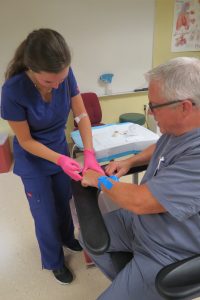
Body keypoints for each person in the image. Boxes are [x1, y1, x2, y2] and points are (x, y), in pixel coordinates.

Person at [81, 57, 200, 299]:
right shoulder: (178, 129)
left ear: (185, 107)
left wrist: (99, 180)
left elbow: (140, 201)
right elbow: (160, 148)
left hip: (170, 250)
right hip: (142, 223)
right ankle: (129, 280)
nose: (150, 111)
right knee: (88, 235)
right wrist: (130, 161)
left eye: (154, 105)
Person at [1, 28, 104, 284]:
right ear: (32, 69)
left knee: (64, 201)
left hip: (60, 150)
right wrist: (58, 159)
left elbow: (81, 116)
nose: (58, 86)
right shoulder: (13, 91)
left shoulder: (64, 75)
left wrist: (88, 153)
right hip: (34, 160)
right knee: (44, 214)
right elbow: (24, 140)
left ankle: (69, 239)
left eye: (62, 79)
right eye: (49, 82)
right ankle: (53, 260)